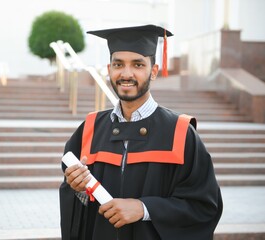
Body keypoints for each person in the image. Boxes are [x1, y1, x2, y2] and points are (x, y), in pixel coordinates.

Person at [59, 24, 223, 240]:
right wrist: (77, 189)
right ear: (109, 69)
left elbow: (204, 207)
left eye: (137, 64)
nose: (126, 74)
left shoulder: (181, 132)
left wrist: (144, 209)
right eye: (118, 64)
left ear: (153, 71)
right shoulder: (89, 129)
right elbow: (76, 205)